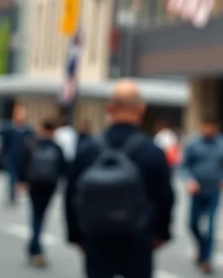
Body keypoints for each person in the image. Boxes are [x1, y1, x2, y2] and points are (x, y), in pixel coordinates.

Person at [66, 81, 176, 278]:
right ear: (141, 109)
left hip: (96, 237)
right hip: (138, 238)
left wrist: (76, 236)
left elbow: (71, 194)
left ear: (109, 108)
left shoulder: (88, 149)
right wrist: (161, 234)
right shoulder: (151, 151)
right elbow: (165, 196)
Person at [179, 114, 223, 275]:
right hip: (197, 190)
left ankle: (206, 259)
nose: (208, 129)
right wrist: (189, 180)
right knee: (192, 224)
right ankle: (202, 247)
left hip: (214, 190)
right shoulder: (193, 143)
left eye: (211, 126)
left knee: (211, 226)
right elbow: (184, 166)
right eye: (205, 125)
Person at [18, 118, 67, 268]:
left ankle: (34, 246)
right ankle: (35, 246)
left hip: (34, 184)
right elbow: (63, 167)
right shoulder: (57, 147)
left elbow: (23, 161)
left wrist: (21, 180)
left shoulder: (32, 144)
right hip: (49, 185)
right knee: (42, 215)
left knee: (35, 214)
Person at [0, 104, 34, 205]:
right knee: (12, 177)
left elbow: (32, 143)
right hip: (11, 157)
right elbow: (4, 144)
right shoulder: (9, 129)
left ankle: (17, 192)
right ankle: (12, 195)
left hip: (23, 158)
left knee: (21, 178)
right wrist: (3, 156)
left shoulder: (28, 129)